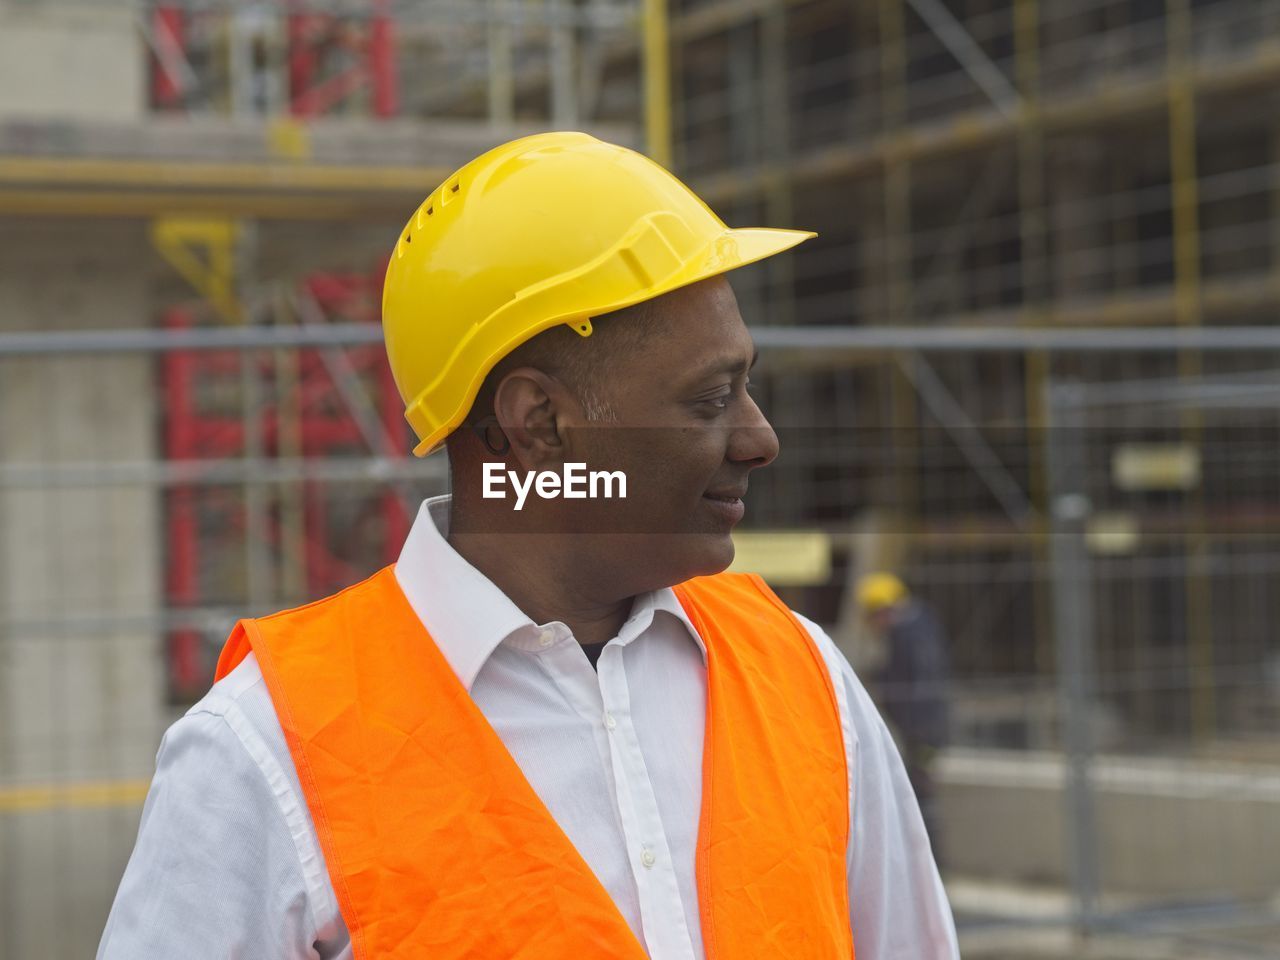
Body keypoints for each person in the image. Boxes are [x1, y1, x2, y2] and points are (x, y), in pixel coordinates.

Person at [99, 133, 959, 959]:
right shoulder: (265, 754)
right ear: (537, 424)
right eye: (709, 400)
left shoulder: (802, 674)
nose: (759, 439)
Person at [858, 572, 952, 864]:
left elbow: (913, 687)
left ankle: (930, 864)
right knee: (920, 798)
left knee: (921, 799)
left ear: (882, 611)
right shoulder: (921, 626)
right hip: (927, 729)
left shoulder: (906, 635)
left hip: (922, 731)